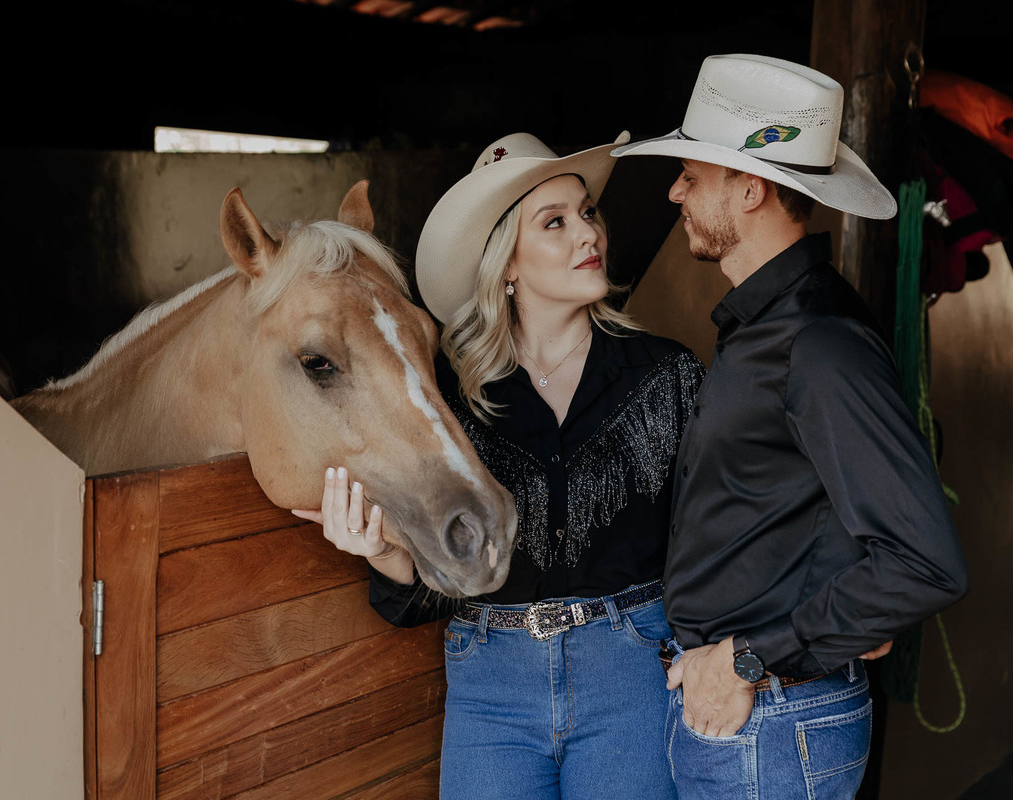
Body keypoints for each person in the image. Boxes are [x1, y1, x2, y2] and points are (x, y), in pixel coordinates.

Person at [292, 132, 704, 800]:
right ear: (506, 263)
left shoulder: (668, 375)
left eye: (587, 212)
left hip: (631, 670)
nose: (586, 234)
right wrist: (384, 553)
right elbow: (431, 580)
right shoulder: (447, 397)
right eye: (555, 222)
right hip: (491, 682)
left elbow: (714, 540)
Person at [611, 53, 970, 799]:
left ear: (749, 188)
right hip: (758, 716)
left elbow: (924, 561)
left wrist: (749, 657)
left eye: (693, 174)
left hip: (772, 720)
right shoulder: (766, 327)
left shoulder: (817, 344)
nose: (675, 189)